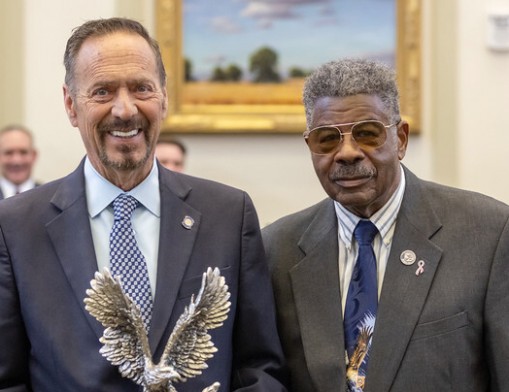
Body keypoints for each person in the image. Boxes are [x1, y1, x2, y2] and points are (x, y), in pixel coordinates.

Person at [0, 18, 287, 391]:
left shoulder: (228, 214)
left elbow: (259, 367)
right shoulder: (17, 226)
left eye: (141, 88)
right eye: (102, 91)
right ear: (71, 105)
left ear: (164, 98)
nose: (125, 110)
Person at [262, 58, 509, 392]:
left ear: (401, 139)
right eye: (327, 139)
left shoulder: (488, 234)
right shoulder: (276, 250)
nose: (347, 153)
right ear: (311, 148)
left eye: (367, 134)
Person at [0, 124, 39, 198]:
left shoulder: (49, 196)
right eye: (9, 153)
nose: (16, 161)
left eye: (23, 152)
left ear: (34, 156)